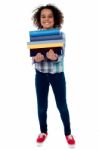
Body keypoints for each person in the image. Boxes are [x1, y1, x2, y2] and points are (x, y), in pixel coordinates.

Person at [31, 4, 75, 146]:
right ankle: (43, 131)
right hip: (41, 75)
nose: (46, 19)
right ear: (39, 19)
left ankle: (68, 133)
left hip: (57, 75)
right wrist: (35, 59)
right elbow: (33, 57)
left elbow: (62, 57)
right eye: (43, 16)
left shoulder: (60, 35)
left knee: (62, 105)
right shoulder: (36, 36)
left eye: (50, 16)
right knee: (42, 106)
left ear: (55, 19)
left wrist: (55, 57)